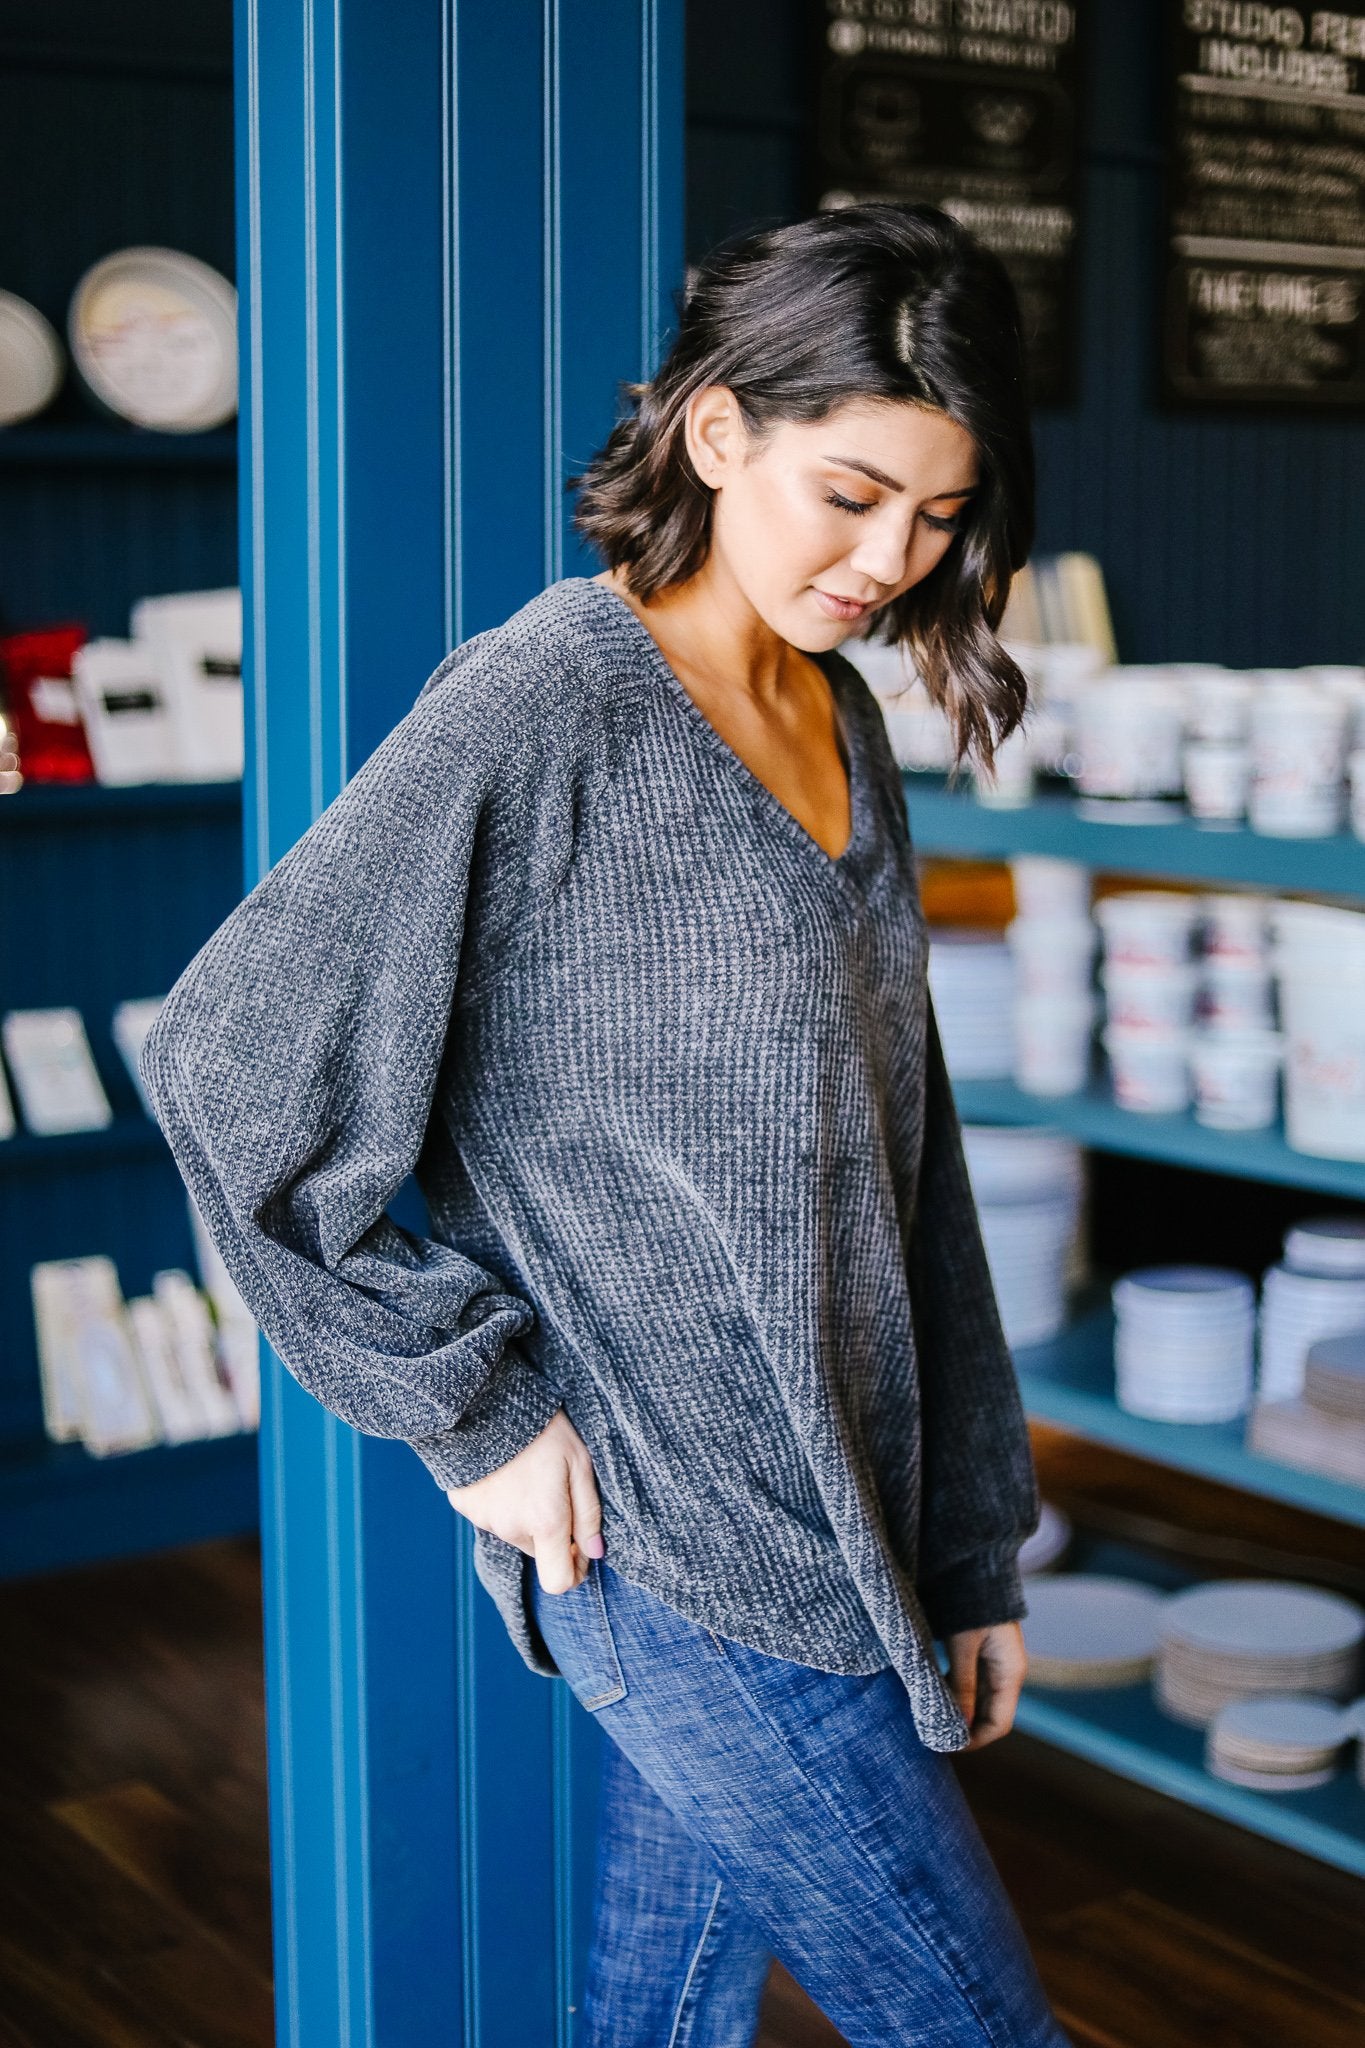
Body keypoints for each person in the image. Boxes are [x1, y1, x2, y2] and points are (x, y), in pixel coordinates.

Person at [138, 200, 1072, 2048]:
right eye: (850, 495)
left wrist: (967, 1544)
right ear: (718, 431)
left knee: (656, 2018)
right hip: (666, 1538)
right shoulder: (546, 698)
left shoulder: (838, 717)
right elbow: (226, 1061)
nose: (889, 559)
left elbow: (911, 1165)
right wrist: (470, 1412)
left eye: (938, 516)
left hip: (841, 1507)